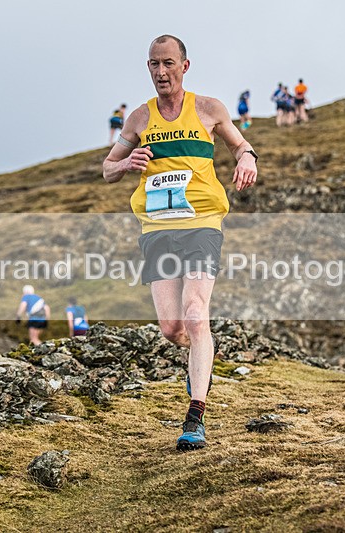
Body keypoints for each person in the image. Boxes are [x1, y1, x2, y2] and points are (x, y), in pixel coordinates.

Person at [102, 34, 257, 451]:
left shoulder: (208, 109)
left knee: (195, 313)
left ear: (184, 66)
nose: (161, 72)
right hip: (157, 229)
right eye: (154, 64)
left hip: (202, 224)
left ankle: (196, 415)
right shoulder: (138, 118)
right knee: (173, 328)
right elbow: (107, 168)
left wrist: (246, 158)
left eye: (168, 63)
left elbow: (241, 145)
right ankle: (199, 358)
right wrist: (125, 162)